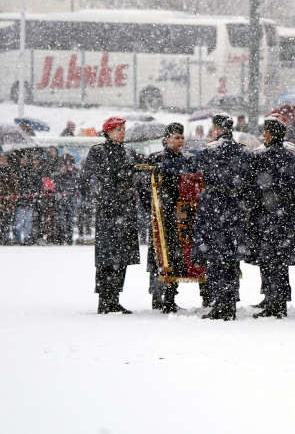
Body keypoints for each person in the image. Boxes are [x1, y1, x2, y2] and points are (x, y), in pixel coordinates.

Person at [160, 114, 254, 321]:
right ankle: (230, 303)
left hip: (213, 209)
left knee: (214, 259)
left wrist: (164, 165)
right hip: (235, 208)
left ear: (218, 129)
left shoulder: (210, 152)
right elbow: (251, 181)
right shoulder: (244, 153)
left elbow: (186, 168)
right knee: (231, 259)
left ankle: (219, 304)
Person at [248, 115, 295, 319]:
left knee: (268, 260)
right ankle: (279, 300)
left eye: (265, 131)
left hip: (265, 217)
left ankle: (272, 301)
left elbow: (253, 190)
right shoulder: (293, 159)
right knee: (280, 261)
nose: (263, 134)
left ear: (270, 134)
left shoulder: (260, 158)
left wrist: (255, 209)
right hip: (285, 217)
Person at [81, 117, 143, 314]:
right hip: (108, 208)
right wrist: (106, 184)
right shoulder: (98, 151)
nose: (122, 132)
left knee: (123, 255)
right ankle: (105, 298)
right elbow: (87, 178)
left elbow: (143, 165)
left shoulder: (129, 151)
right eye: (118, 129)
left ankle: (115, 297)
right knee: (107, 256)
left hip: (126, 207)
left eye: (123, 129)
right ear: (107, 131)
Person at [142, 123, 188, 313]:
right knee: (159, 253)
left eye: (181, 138)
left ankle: (170, 296)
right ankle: (157, 295)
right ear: (166, 139)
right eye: (176, 137)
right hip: (161, 213)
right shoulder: (155, 159)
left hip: (179, 213)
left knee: (175, 255)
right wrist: (153, 207)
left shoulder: (185, 160)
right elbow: (144, 187)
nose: (179, 141)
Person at [54, 153, 79, 245]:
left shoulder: (75, 171)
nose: (68, 165)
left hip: (71, 199)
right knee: (60, 219)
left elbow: (77, 183)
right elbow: (56, 183)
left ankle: (69, 238)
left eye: (70, 163)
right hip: (61, 199)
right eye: (66, 163)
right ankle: (60, 238)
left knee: (70, 219)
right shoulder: (59, 173)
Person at [0, 153, 18, 244]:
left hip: (8, 201)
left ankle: (5, 238)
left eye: (3, 158)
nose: (2, 160)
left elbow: (15, 186)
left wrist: (11, 198)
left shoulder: (10, 170)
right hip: (3, 200)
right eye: (1, 158)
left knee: (7, 221)